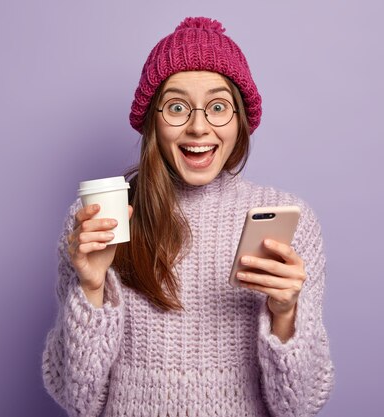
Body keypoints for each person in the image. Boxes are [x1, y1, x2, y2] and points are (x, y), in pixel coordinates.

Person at [42, 16, 334, 417]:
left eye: (218, 107)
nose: (199, 127)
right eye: (177, 107)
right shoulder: (97, 218)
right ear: (152, 121)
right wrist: (91, 289)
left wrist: (285, 316)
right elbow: (79, 400)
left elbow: (299, 406)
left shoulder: (293, 223)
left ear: (240, 119)